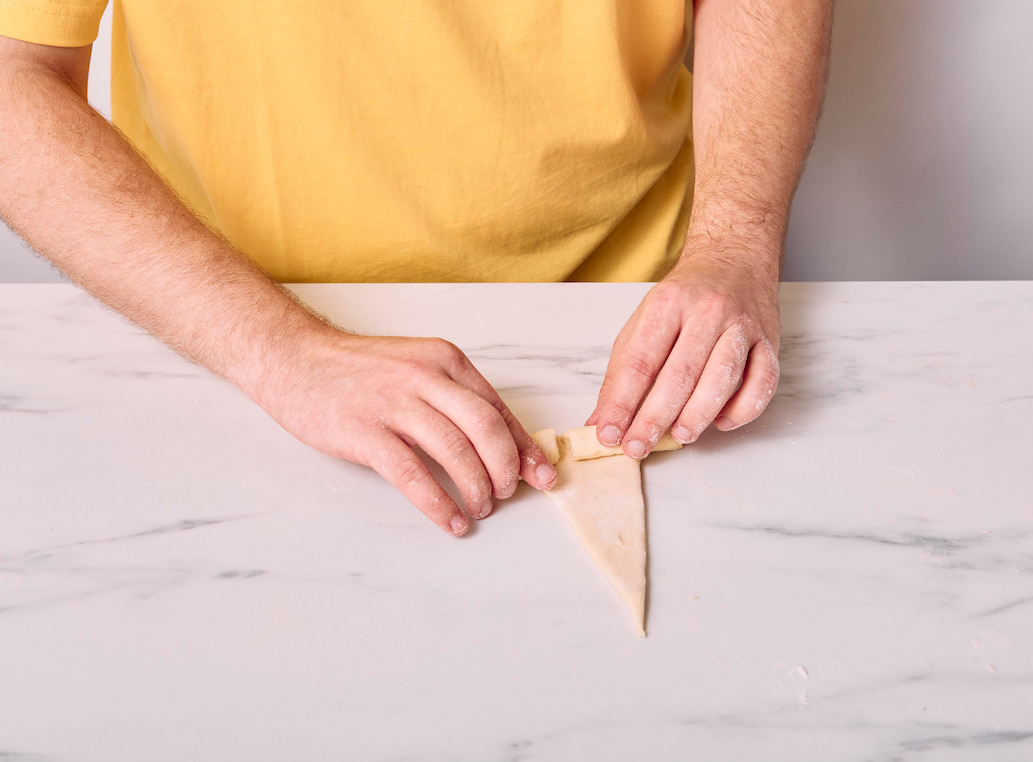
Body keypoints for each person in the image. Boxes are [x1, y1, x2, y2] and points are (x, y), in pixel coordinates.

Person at [0, 0, 832, 536]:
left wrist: (734, 241)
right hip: (229, 335)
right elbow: (15, 74)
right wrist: (275, 350)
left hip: (638, 327)